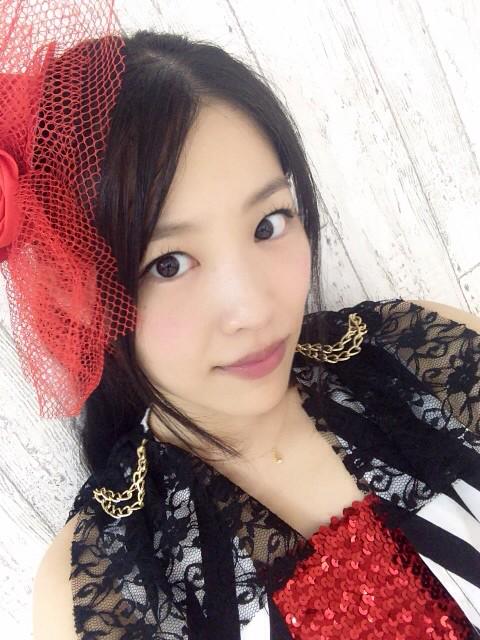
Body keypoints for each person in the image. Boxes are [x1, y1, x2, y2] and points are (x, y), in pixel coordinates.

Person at [1, 3, 477, 639]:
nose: (253, 308)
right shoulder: (96, 595)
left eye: (268, 224)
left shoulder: (424, 351)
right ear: (76, 288)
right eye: (169, 263)